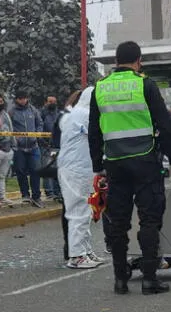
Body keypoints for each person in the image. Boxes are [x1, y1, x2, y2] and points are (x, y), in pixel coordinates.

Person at [88, 41, 171, 295]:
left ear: (117, 61)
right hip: (145, 162)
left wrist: (98, 166)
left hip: (115, 164)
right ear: (138, 61)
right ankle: (149, 280)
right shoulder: (145, 84)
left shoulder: (101, 88)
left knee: (118, 222)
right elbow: (166, 125)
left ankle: (120, 280)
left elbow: (94, 131)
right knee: (149, 219)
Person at [57, 87, 104, 269]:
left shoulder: (76, 113)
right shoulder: (83, 115)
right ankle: (77, 256)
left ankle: (85, 250)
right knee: (78, 212)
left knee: (86, 211)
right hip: (76, 170)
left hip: (78, 169)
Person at [54, 90, 83, 261]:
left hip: (67, 166)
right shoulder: (76, 117)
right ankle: (75, 248)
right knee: (78, 209)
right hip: (77, 166)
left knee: (70, 208)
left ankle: (71, 246)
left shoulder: (64, 115)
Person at [9, 90, 44, 208]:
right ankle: (25, 195)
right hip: (19, 148)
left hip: (34, 146)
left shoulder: (33, 110)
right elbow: (9, 128)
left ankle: (36, 196)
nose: (23, 100)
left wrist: (37, 134)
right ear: (16, 99)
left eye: (24, 98)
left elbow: (39, 123)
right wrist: (15, 137)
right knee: (20, 171)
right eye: (20, 98)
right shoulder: (12, 112)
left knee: (36, 171)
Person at [0, 94, 16, 207]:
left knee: (2, 175)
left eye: (1, 101)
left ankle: (2, 197)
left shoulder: (5, 114)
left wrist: (13, 145)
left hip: (8, 149)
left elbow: (11, 129)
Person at [41, 95, 62, 201]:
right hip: (46, 147)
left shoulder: (59, 114)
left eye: (54, 101)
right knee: (48, 168)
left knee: (57, 169)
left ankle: (57, 192)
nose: (52, 103)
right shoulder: (42, 114)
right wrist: (44, 143)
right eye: (50, 101)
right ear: (45, 102)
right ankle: (49, 192)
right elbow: (39, 129)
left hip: (57, 146)